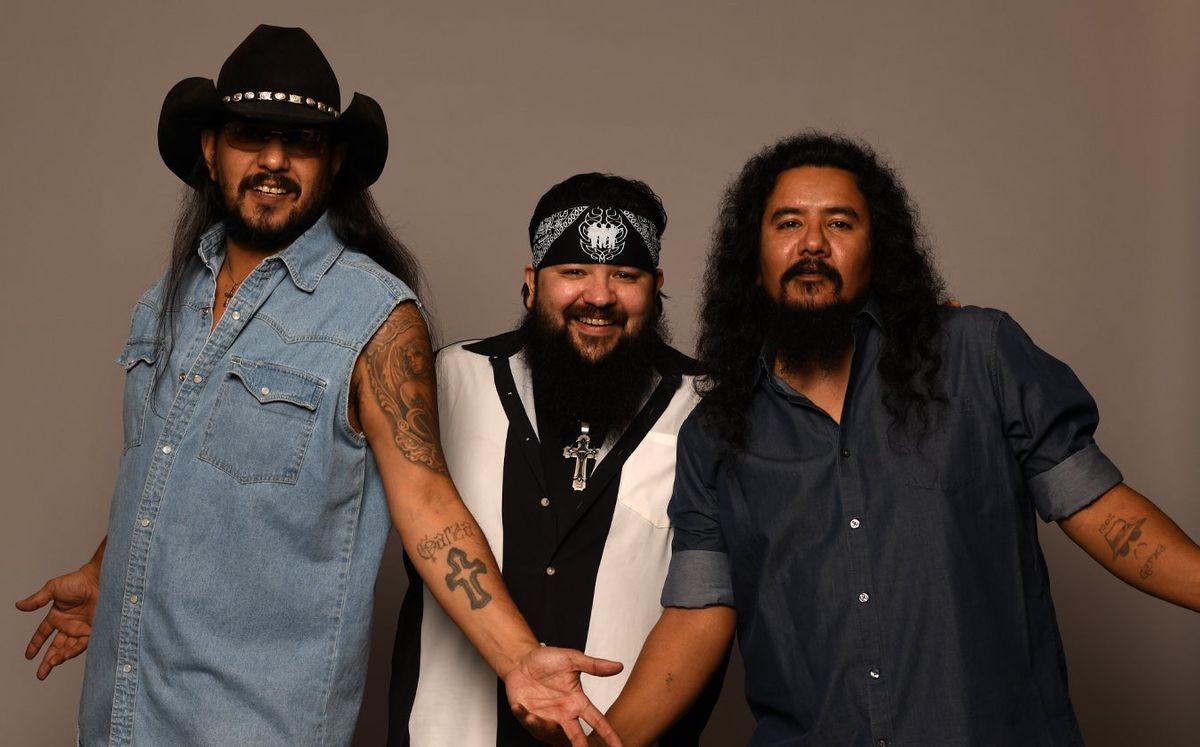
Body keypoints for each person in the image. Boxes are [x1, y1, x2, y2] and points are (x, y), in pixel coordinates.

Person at [14, 25, 622, 747]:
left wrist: (518, 656)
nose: (273, 160)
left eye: (300, 141)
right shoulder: (166, 300)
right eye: (250, 134)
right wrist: (108, 569)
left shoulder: (377, 319)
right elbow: (166, 462)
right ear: (210, 149)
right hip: (120, 715)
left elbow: (428, 505)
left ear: (332, 162)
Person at [595, 132, 1200, 746]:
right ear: (754, 262)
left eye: (840, 223)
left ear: (877, 252)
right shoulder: (715, 435)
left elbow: (1099, 508)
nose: (812, 243)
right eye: (788, 223)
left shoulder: (978, 357)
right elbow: (697, 613)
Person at [388, 173, 726, 745]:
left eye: (626, 275)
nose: (599, 296)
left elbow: (712, 601)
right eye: (573, 272)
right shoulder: (446, 380)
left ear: (657, 287)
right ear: (531, 282)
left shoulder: (708, 406)